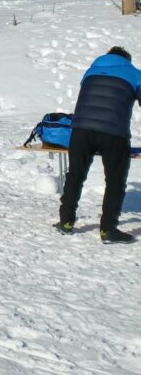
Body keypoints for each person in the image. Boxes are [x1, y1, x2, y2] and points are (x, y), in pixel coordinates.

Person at [57, 46, 141, 244]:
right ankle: (108, 230)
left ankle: (66, 222)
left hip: (80, 130)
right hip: (113, 132)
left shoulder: (91, 70)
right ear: (126, 60)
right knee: (115, 180)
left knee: (76, 174)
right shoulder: (134, 73)